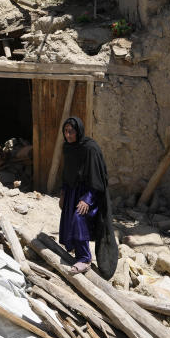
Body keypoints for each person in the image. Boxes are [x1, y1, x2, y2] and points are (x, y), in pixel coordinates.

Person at [58, 116, 118, 278]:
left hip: (90, 193)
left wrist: (87, 199)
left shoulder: (90, 149)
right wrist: (63, 193)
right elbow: (66, 173)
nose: (68, 135)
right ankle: (78, 254)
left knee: (79, 217)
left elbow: (98, 178)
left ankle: (85, 259)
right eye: (66, 131)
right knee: (70, 218)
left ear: (79, 131)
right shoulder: (68, 148)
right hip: (72, 191)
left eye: (71, 132)